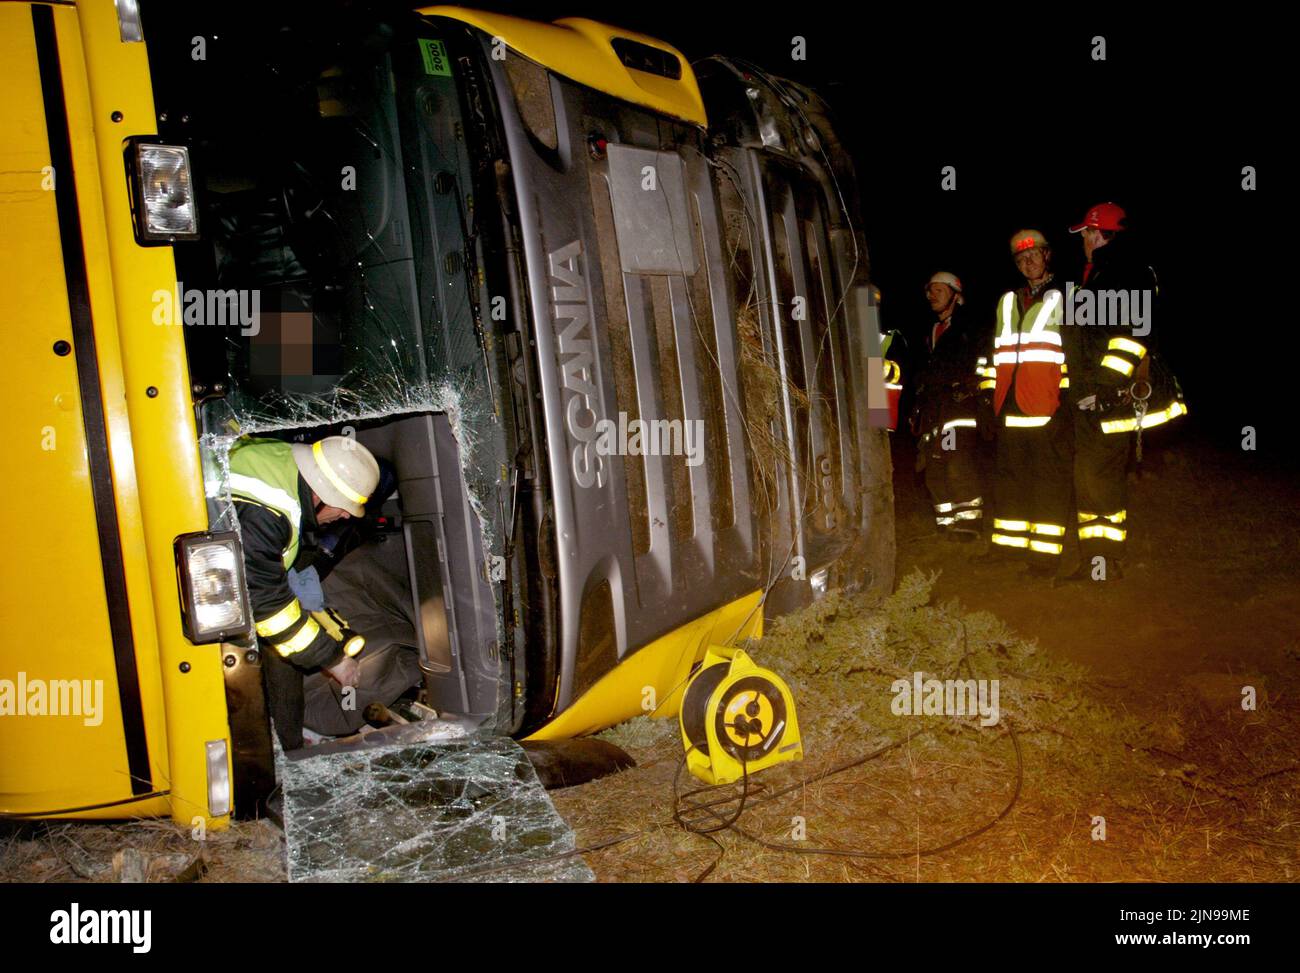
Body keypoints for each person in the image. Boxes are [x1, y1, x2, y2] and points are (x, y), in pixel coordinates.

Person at [227, 434, 380, 749]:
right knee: (274, 651)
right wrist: (334, 660)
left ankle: (288, 743)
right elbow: (268, 609)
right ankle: (279, 750)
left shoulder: (283, 464)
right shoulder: (267, 511)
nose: (347, 515)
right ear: (319, 492)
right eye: (344, 505)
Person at [1059, 202, 1155, 582]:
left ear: (1099, 233)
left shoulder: (1125, 272)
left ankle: (1101, 563)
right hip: (1090, 398)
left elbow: (1131, 339)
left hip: (1107, 400)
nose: (1082, 240)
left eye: (1085, 233)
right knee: (1091, 479)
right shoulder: (1098, 274)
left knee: (1097, 479)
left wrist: (1103, 390)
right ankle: (1098, 561)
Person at [985, 230, 1072, 576]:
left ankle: (1044, 558)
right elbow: (996, 355)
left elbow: (1077, 353)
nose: (1027, 262)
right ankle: (1008, 546)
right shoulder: (1007, 301)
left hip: (1047, 405)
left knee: (1047, 480)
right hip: (1008, 404)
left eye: (1033, 255)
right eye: (1021, 259)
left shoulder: (1069, 295)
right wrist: (987, 400)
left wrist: (1065, 399)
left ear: (1048, 255)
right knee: (1009, 478)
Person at [910, 272, 987, 540]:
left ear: (955, 295)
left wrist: (969, 385)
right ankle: (946, 523)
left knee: (956, 463)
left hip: (957, 411)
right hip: (933, 412)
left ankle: (968, 524)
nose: (932, 296)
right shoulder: (930, 330)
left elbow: (982, 361)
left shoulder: (968, 328)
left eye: (939, 291)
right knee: (934, 468)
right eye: (929, 291)